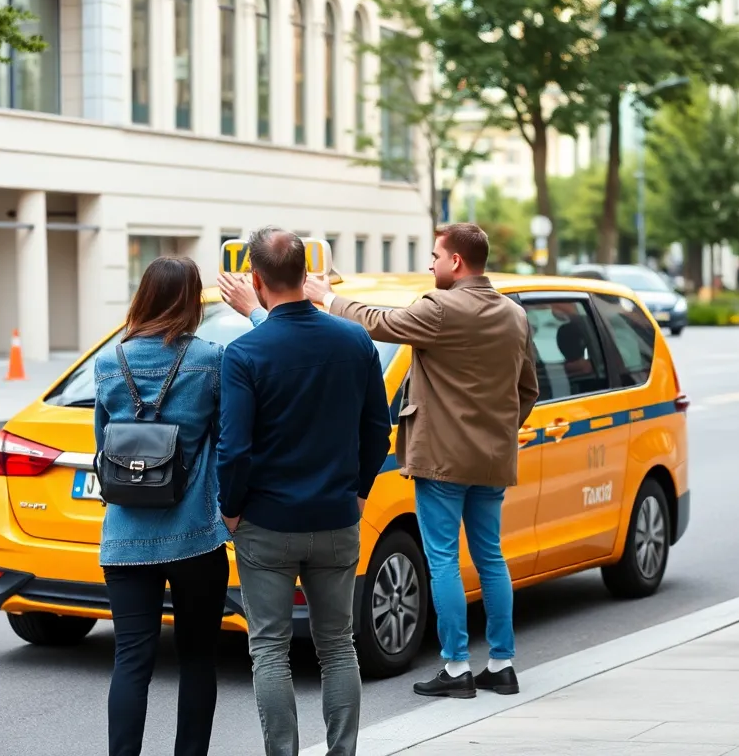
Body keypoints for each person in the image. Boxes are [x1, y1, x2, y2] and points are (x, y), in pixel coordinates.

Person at [306, 222, 540, 699]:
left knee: (443, 561)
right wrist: (497, 432)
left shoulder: (440, 308)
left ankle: (456, 668)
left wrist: (326, 298)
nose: (430, 264)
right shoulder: (514, 315)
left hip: (441, 461)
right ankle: (502, 663)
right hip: (492, 459)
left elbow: (380, 322)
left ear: (456, 261)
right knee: (491, 558)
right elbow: (528, 389)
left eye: (435, 256)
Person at [216, 227, 391, 756]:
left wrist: (230, 510)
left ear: (256, 280)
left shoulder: (244, 354)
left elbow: (234, 449)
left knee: (269, 650)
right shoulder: (355, 340)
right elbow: (377, 430)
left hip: (266, 523)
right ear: (305, 275)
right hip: (337, 518)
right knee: (338, 647)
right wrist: (359, 493)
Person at [92, 256, 231, 756]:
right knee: (197, 660)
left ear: (143, 296)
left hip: (125, 538)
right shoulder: (211, 359)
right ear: (192, 300)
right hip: (195, 535)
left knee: (131, 660)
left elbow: (102, 449)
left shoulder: (109, 361)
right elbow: (228, 442)